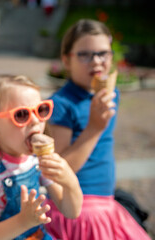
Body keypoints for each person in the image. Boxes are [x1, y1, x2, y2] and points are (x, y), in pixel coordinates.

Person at [45, 19, 151, 239]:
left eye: (103, 53)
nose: (96, 62)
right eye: (85, 55)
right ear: (66, 60)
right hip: (79, 209)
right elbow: (59, 170)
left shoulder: (111, 95)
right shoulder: (62, 104)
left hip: (107, 203)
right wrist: (94, 128)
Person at [0, 74, 82, 240]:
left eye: (41, 110)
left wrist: (70, 181)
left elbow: (71, 211)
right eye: (21, 115)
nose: (35, 120)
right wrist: (23, 221)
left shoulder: (36, 160)